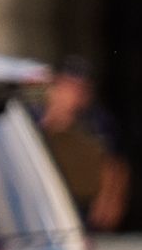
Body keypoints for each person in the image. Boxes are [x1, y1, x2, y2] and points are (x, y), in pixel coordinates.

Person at [31, 66, 132, 235]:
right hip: (49, 201)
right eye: (67, 88)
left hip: (84, 206)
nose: (72, 95)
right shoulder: (34, 119)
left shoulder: (97, 123)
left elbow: (115, 164)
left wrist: (110, 201)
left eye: (79, 89)